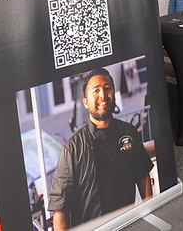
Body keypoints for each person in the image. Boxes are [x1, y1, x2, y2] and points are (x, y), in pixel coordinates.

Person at [49, 68, 154, 230]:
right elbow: (60, 207)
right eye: (95, 90)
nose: (103, 95)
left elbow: (143, 177)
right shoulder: (72, 148)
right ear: (85, 102)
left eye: (107, 88)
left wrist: (150, 215)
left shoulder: (129, 133)